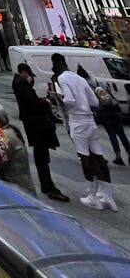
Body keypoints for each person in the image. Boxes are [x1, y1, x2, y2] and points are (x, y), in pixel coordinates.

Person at [51, 52, 116, 210]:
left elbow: (70, 101)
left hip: (77, 121)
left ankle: (93, 195)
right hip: (89, 120)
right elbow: (94, 101)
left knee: (84, 157)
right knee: (99, 157)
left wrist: (60, 98)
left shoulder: (62, 79)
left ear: (56, 65)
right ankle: (108, 197)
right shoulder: (79, 78)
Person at [11, 62, 69, 202]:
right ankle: (48, 185)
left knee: (41, 154)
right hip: (36, 125)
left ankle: (47, 184)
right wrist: (46, 103)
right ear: (24, 73)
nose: (32, 78)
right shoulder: (21, 85)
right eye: (30, 75)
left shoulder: (20, 84)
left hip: (33, 124)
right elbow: (33, 104)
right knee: (41, 155)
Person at [0, 104, 35, 193]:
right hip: (18, 183)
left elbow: (1, 161)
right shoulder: (11, 129)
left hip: (17, 187)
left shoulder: (5, 136)